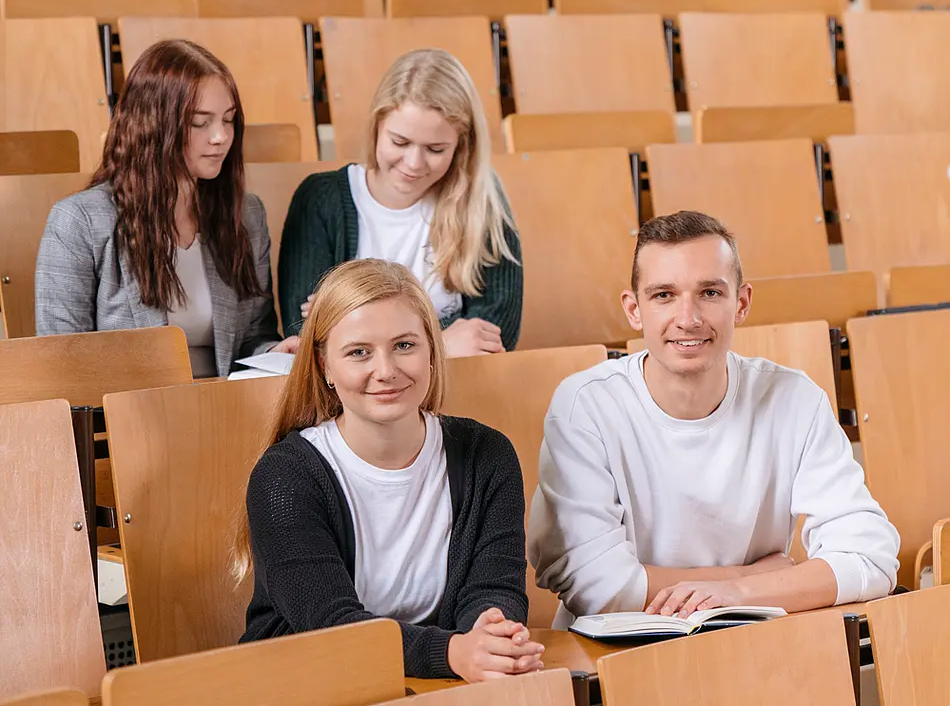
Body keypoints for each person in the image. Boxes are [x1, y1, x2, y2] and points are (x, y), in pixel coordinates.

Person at [528, 210, 900, 629]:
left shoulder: (794, 399)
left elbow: (871, 557)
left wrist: (738, 594)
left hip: (754, 639)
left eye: (709, 293)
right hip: (620, 651)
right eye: (664, 295)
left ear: (740, 303)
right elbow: (598, 586)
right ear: (634, 310)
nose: (688, 319)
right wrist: (753, 575)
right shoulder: (585, 406)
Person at [233, 258, 542, 681]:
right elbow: (331, 627)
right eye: (359, 352)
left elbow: (495, 591)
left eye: (404, 345)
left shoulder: (487, 454)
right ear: (324, 366)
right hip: (304, 684)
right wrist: (453, 652)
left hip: (433, 684)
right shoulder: (286, 477)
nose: (386, 371)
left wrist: (490, 641)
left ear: (432, 350)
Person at [35, 39, 296, 378]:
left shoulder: (247, 215)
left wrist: (273, 352)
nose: (220, 137)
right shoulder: (78, 221)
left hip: (228, 405)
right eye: (200, 123)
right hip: (131, 413)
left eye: (228, 120)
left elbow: (251, 339)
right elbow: (61, 360)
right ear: (154, 126)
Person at [277, 48, 522, 357]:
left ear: (461, 146)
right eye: (400, 142)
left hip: (462, 390)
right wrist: (442, 343)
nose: (414, 163)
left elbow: (494, 337)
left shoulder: (483, 199)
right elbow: (306, 337)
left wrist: (353, 321)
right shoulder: (321, 199)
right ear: (377, 126)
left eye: (435, 149)